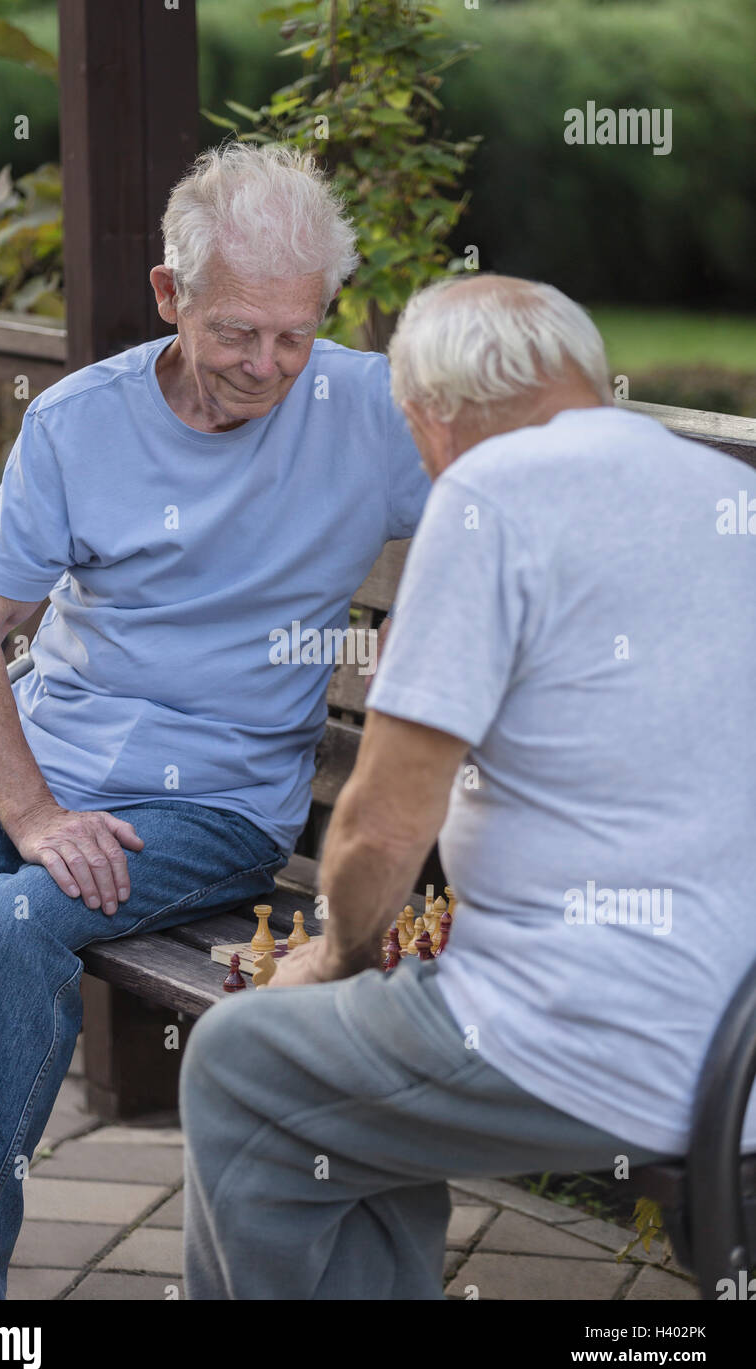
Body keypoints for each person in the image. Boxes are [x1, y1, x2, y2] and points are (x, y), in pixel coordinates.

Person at [0, 143, 429, 1300]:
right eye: (237, 330)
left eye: (295, 333)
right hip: (43, 764)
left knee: (18, 928)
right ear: (168, 294)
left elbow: (521, 490)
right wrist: (31, 810)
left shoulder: (366, 412)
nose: (268, 365)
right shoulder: (81, 425)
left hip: (217, 799)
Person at [179, 272, 756, 1301]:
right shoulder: (728, 493)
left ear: (431, 412)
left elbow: (382, 829)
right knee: (346, 1093)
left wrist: (340, 957)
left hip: (599, 1043)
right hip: (736, 1039)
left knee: (242, 1062)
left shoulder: (490, 495)